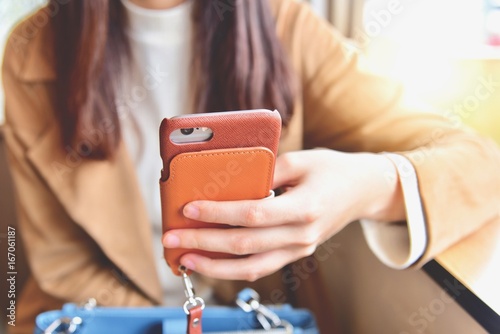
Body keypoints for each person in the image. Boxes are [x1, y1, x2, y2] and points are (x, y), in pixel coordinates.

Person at [2, 0, 500, 333]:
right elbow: (64, 268)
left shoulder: (286, 26)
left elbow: (481, 162)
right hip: (98, 321)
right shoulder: (31, 51)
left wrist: (370, 186)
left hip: (250, 318)